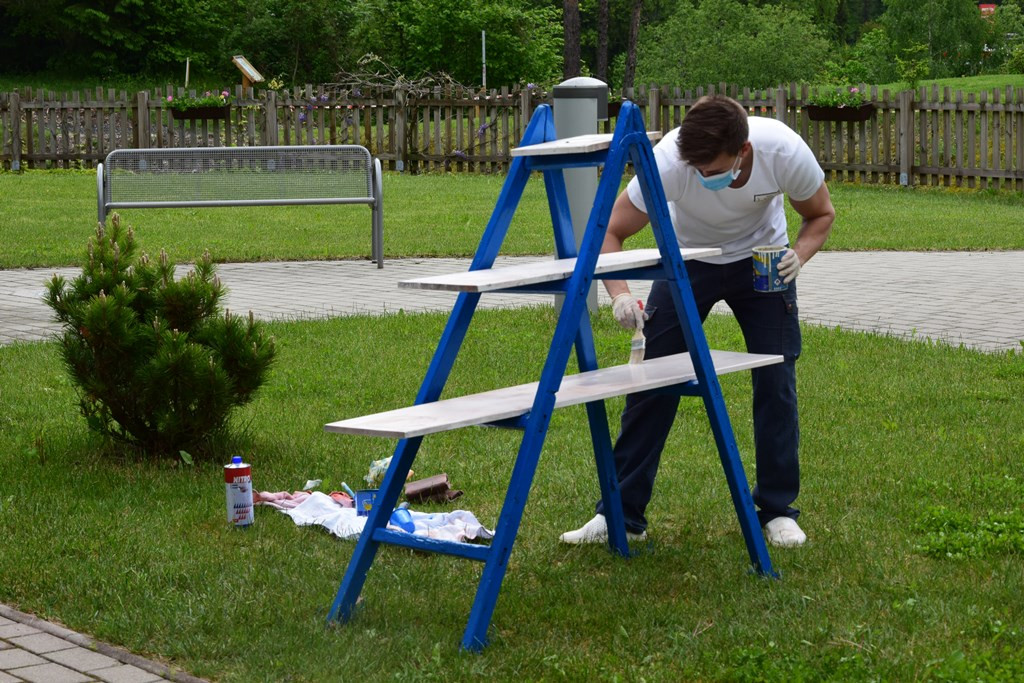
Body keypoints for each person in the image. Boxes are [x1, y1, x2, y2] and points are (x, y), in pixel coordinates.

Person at [560, 94, 835, 548]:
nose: (704, 176)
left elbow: (821, 214)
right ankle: (621, 513)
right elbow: (607, 230)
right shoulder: (669, 161)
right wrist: (621, 295)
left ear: (743, 151)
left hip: (763, 261)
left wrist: (798, 257)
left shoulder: (783, 150)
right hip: (686, 260)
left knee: (775, 380)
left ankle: (777, 509)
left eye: (713, 169)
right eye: (697, 169)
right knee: (652, 381)